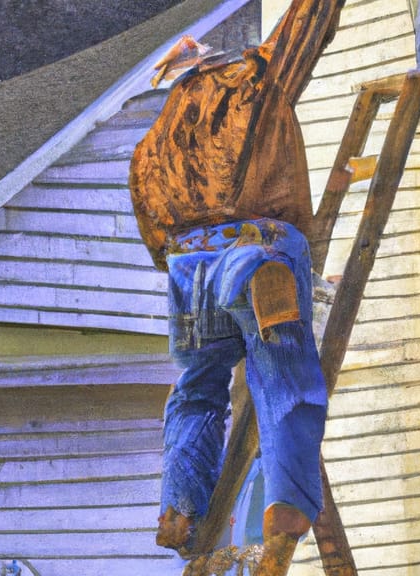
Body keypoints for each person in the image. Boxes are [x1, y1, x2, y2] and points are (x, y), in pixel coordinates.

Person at [128, 0, 345, 571]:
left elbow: (151, 220)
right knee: (285, 385)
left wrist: (186, 263)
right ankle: (283, 524)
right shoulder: (254, 80)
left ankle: (178, 509)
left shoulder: (157, 136)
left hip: (187, 268)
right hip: (257, 253)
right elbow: (306, 26)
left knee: (198, 386)